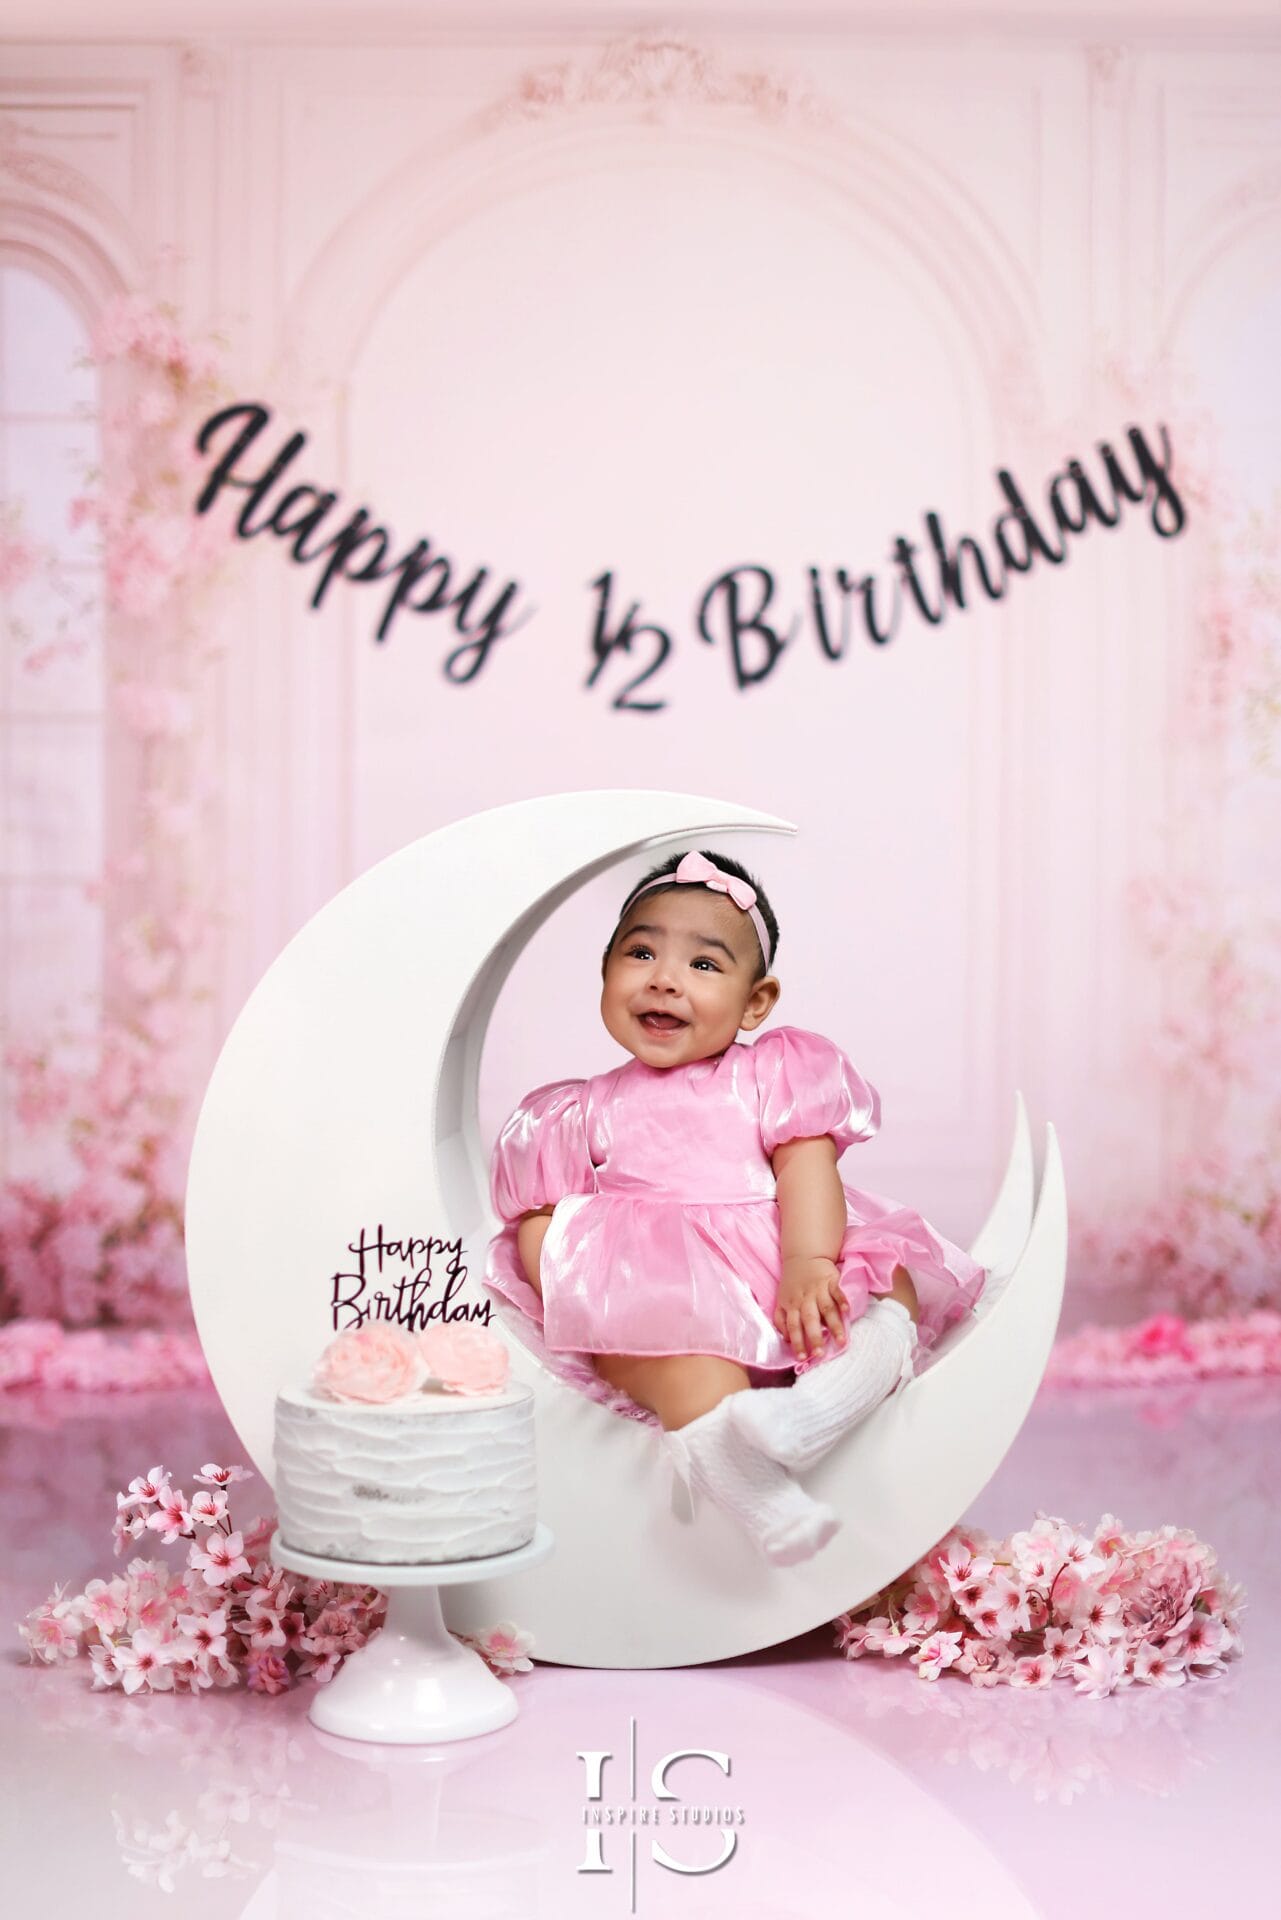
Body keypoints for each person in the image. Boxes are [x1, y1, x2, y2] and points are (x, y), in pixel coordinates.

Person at [483, 848, 988, 1567]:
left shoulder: (769, 1073)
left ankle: (809, 1414)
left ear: (755, 1002)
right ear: (604, 974)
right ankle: (768, 1506)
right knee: (692, 1378)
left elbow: (807, 1167)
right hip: (653, 1300)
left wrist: (810, 1262)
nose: (664, 978)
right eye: (641, 952)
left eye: (704, 965)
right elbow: (536, 1217)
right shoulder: (578, 1110)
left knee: (884, 1282)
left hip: (774, 1267)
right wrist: (580, 1293)